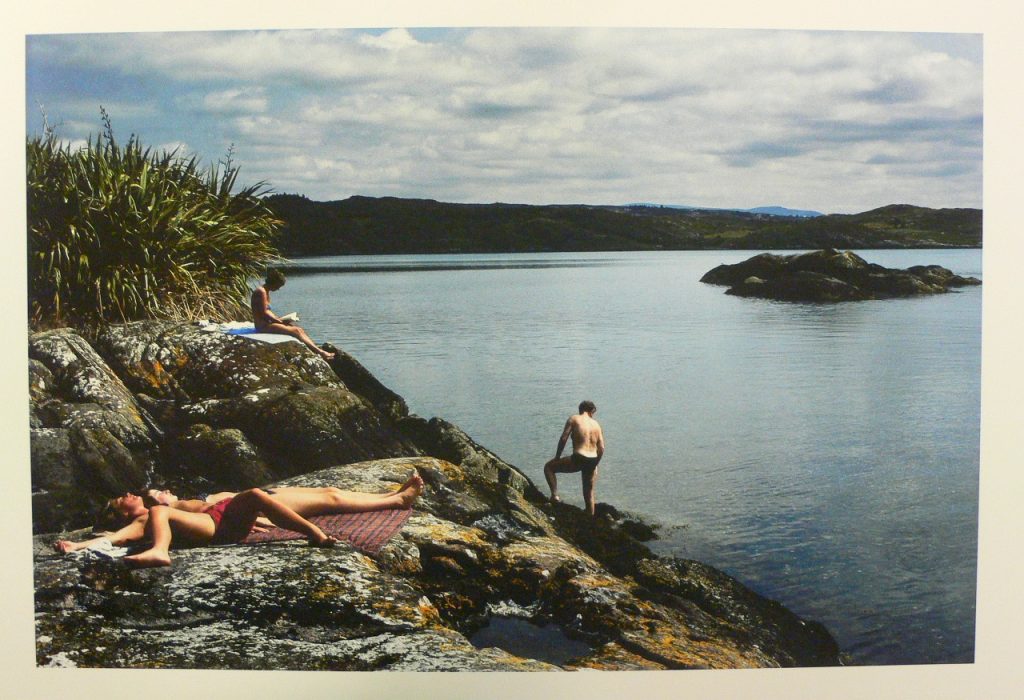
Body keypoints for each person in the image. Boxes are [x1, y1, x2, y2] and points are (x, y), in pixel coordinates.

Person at [54, 475, 424, 568]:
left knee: (329, 493)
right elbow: (116, 538)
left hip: (228, 510)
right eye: (125, 499)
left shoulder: (163, 507)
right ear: (122, 511)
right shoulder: (147, 519)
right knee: (258, 495)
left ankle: (395, 498)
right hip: (225, 523)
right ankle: (315, 534)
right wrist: (78, 545)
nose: (131, 494)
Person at [251, 269, 335, 361]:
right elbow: (264, 313)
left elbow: (267, 312)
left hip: (268, 322)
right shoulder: (260, 292)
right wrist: (278, 321)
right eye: (278, 286)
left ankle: (316, 349)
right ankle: (321, 353)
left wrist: (280, 319)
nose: (278, 289)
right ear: (273, 282)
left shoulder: (265, 291)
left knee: (299, 329)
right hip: (262, 326)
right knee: (296, 331)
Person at [543, 400, 605, 516]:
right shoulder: (596, 425)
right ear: (590, 410)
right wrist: (596, 463)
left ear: (581, 409)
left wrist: (557, 456)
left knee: (549, 467)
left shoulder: (574, 419)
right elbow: (601, 448)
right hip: (592, 459)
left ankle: (554, 495)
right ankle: (590, 518)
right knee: (589, 492)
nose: (593, 415)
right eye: (593, 412)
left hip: (579, 457)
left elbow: (564, 438)